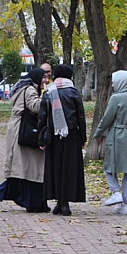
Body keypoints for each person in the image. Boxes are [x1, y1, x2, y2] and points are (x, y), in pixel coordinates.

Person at [0, 68, 50, 213]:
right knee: (31, 166)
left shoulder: (22, 88)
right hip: (24, 129)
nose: (46, 80)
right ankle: (26, 198)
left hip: (17, 128)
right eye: (43, 77)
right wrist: (47, 95)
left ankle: (12, 193)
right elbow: (35, 106)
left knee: (23, 166)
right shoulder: (30, 89)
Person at [93, 70, 127, 215]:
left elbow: (107, 119)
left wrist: (98, 133)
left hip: (119, 136)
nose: (112, 84)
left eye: (113, 81)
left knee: (110, 167)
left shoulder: (116, 98)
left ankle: (116, 192)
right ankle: (125, 205)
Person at [38, 64, 86, 216]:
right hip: (71, 135)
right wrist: (83, 137)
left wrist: (41, 138)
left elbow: (42, 117)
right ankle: (65, 202)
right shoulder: (73, 92)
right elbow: (80, 116)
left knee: (55, 168)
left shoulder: (49, 92)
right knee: (69, 168)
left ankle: (59, 200)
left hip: (53, 136)